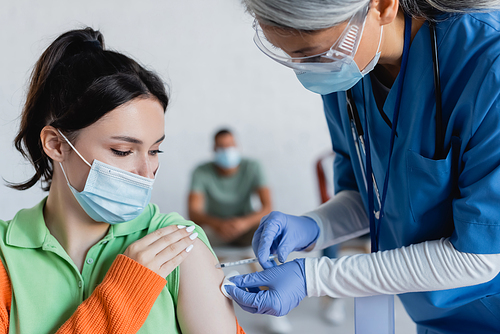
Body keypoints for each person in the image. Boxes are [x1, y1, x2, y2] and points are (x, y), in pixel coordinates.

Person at [223, 0, 500, 333]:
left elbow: (479, 255)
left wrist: (314, 278)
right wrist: (315, 226)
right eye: (292, 57)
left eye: (313, 54)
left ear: (382, 6)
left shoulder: (488, 67)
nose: (307, 70)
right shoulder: (349, 70)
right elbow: (370, 195)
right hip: (436, 318)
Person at [0, 27, 245, 334]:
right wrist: (125, 292)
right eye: (123, 150)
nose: (147, 172)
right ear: (57, 145)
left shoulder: (178, 245)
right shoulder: (4, 256)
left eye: (155, 150)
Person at [188, 129, 272, 248]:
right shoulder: (201, 171)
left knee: (270, 230)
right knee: (194, 238)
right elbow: (193, 212)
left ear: (237, 146)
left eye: (230, 145)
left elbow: (267, 208)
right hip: (214, 230)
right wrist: (219, 225)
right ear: (214, 149)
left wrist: (244, 223)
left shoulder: (253, 167)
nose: (227, 151)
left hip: (247, 228)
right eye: (221, 147)